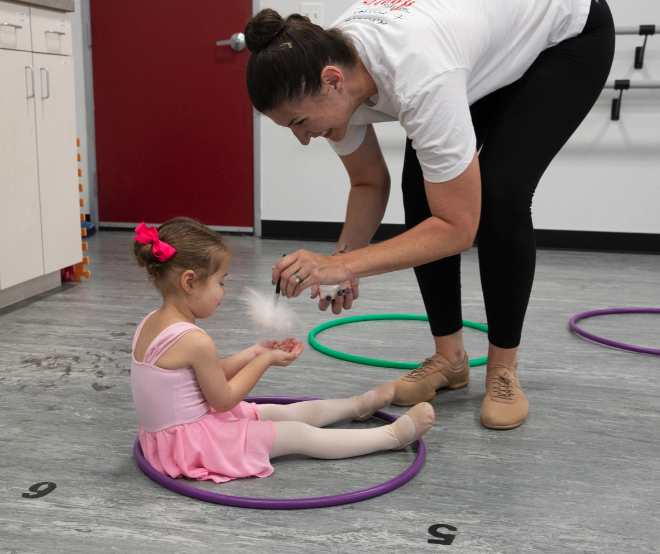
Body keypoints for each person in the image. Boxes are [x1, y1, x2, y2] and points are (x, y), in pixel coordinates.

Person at [243, 0, 615, 430]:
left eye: (301, 122)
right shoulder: (327, 67)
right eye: (291, 127)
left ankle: (502, 370)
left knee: (499, 196)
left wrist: (337, 265)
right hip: (472, 43)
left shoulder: (417, 74)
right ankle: (450, 359)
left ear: (333, 81)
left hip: (565, 34)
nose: (304, 139)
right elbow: (368, 182)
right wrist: (345, 262)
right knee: (421, 191)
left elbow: (458, 229)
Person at [130, 217, 434, 483]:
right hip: (194, 442)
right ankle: (390, 437)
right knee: (296, 434)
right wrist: (266, 361)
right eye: (221, 282)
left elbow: (194, 380)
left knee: (278, 412)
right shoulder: (195, 339)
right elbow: (222, 400)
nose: (225, 291)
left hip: (172, 434)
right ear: (189, 282)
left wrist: (252, 352)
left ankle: (358, 405)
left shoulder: (150, 323)